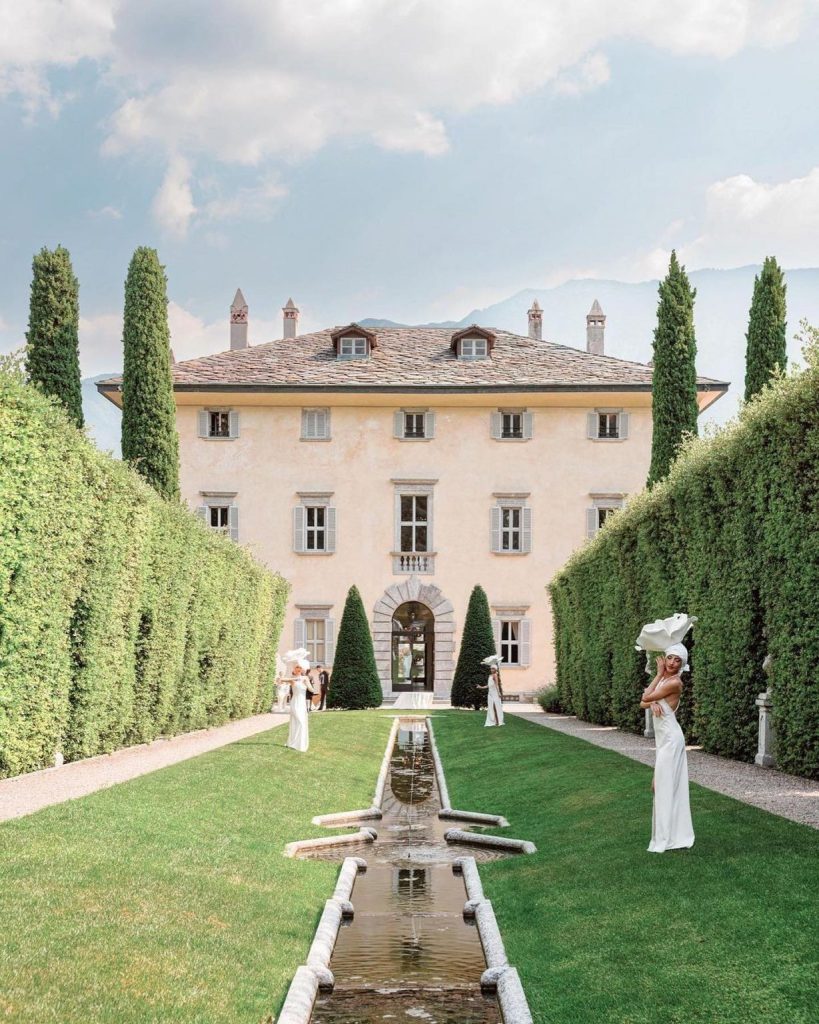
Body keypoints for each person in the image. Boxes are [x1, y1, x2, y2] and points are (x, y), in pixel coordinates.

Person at [640, 643, 695, 853]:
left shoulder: (674, 682)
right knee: (663, 785)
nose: (672, 663)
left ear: (682, 663)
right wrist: (653, 703)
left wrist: (658, 674)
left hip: (671, 740)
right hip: (664, 740)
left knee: (663, 786)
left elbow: (646, 696)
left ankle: (668, 838)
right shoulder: (665, 680)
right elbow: (643, 702)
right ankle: (671, 835)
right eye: (670, 658)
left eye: (677, 660)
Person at [286, 657, 315, 753]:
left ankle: (299, 744)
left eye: (300, 668)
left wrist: (308, 684)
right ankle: (294, 743)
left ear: (302, 669)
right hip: (295, 703)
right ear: (294, 669)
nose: (298, 669)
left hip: (302, 704)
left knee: (302, 722)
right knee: (299, 722)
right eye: (297, 668)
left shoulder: (305, 678)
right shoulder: (292, 679)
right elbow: (281, 679)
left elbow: (311, 689)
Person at [477, 662, 504, 727]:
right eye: (491, 669)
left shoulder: (495, 675)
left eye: (493, 669)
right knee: (491, 708)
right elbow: (488, 685)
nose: (491, 670)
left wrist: (499, 693)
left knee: (496, 707)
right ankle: (493, 721)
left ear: (495, 669)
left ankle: (498, 721)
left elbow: (497, 685)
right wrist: (480, 687)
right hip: (490, 694)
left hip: (495, 694)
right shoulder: (490, 676)